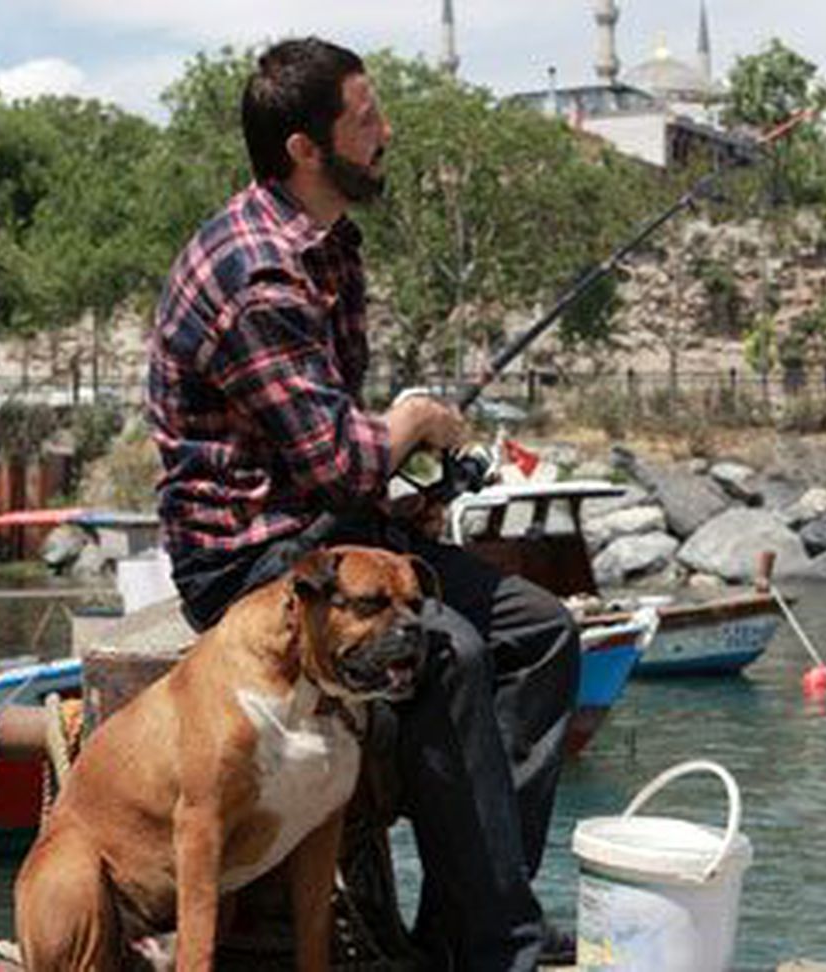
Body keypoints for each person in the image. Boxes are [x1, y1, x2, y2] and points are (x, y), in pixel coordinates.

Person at [147, 36, 580, 971]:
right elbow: (343, 459)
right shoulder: (256, 272)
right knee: (446, 648)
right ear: (306, 148)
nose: (386, 132)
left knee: (543, 633)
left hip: (327, 523)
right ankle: (502, 939)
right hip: (245, 557)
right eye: (366, 118)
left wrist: (399, 497)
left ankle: (474, 915)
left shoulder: (329, 246)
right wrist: (416, 421)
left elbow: (334, 459)